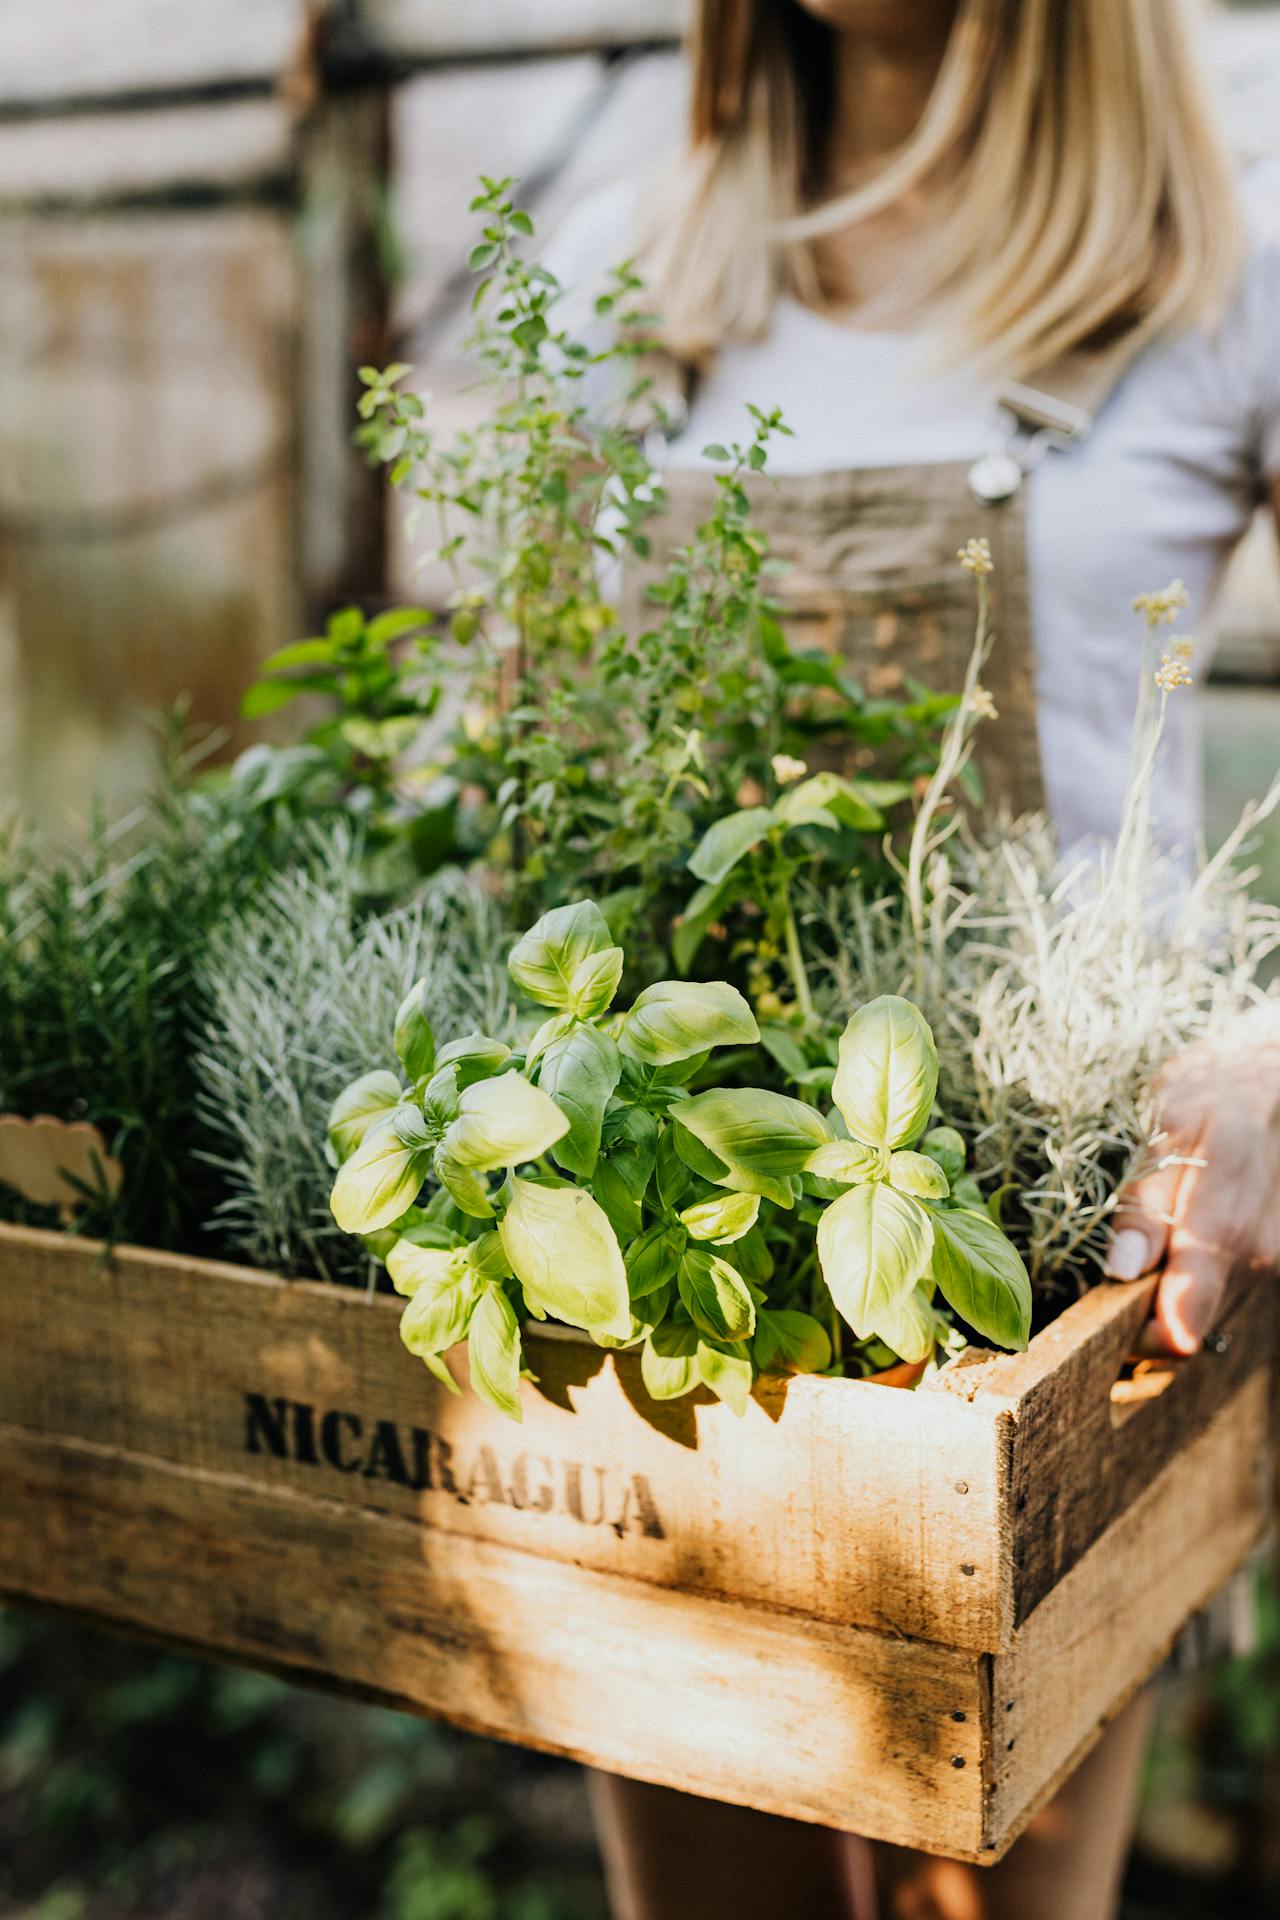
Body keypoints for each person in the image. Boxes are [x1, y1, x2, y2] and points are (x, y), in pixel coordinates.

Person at [546, 3, 1280, 1917]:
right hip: (693, 1239)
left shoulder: (1219, 255)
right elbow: (529, 752)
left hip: (1059, 1264)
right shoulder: (640, 267)